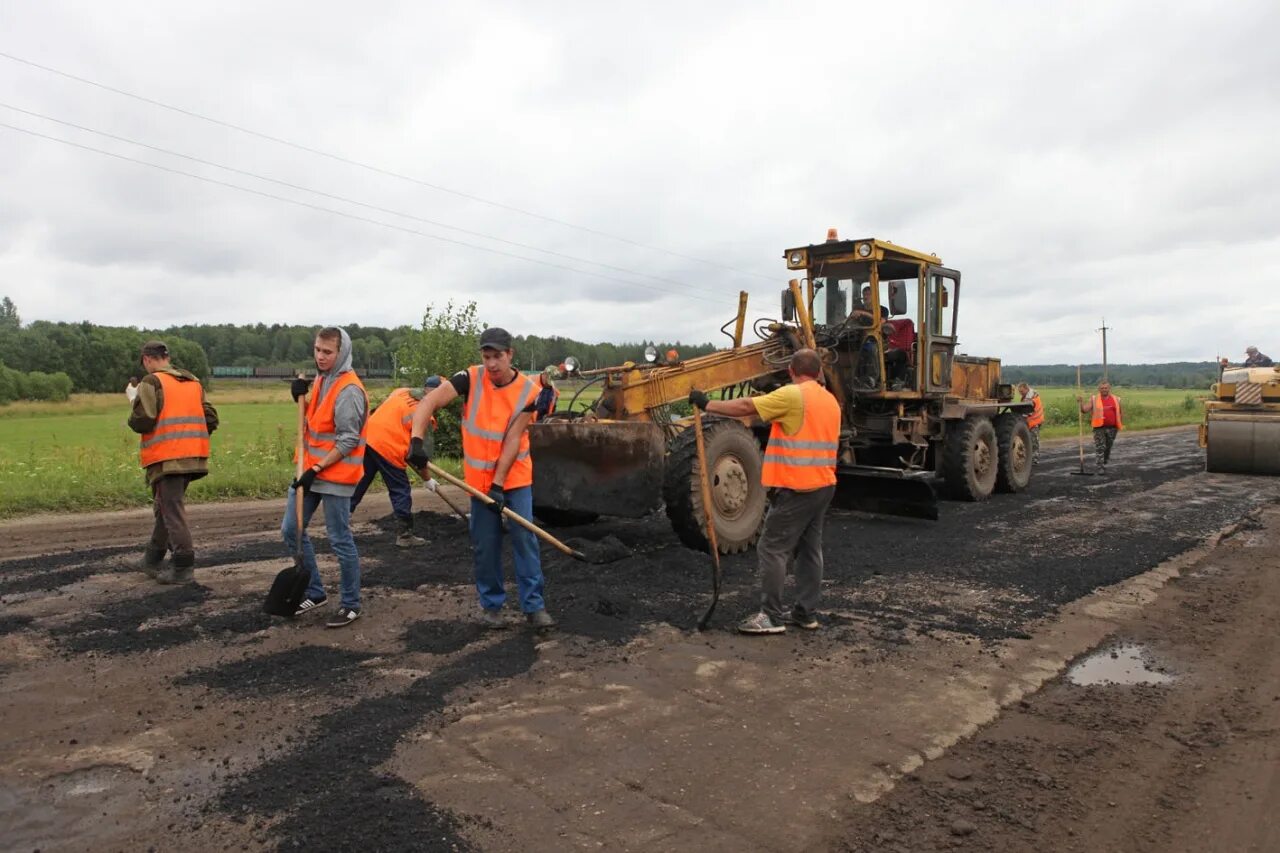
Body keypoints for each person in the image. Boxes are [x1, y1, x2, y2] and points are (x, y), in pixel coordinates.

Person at [407, 327, 555, 630]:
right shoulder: (470, 378)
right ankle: (491, 606)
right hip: (478, 481)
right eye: (486, 357)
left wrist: (499, 484)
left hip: (514, 478)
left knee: (524, 538)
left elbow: (514, 439)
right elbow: (428, 402)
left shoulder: (529, 392)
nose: (491, 364)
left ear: (510, 355)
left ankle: (534, 607)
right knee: (485, 544)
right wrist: (416, 441)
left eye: (497, 357)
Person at [689, 348, 840, 635]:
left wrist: (707, 404)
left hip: (797, 487)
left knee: (772, 547)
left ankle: (771, 617)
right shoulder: (830, 400)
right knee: (809, 551)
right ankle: (806, 614)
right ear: (819, 371)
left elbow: (748, 406)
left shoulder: (793, 395)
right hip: (823, 486)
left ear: (791, 371)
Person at [285, 327, 369, 628]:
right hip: (309, 471)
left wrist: (316, 470)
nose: (320, 356)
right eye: (317, 350)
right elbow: (316, 421)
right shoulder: (322, 380)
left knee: (339, 539)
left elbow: (347, 440)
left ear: (341, 353)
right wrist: (299, 399)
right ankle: (315, 591)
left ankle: (350, 604)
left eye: (327, 352)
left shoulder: (349, 391)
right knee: (291, 529)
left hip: (335, 476)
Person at [127, 341, 218, 584]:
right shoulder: (192, 381)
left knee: (171, 510)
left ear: (147, 359)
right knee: (165, 508)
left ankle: (183, 567)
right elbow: (210, 417)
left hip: (167, 458)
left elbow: (142, 420)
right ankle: (152, 559)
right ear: (167, 357)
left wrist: (133, 401)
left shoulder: (152, 382)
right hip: (193, 456)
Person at [350, 375, 443, 547]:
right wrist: (427, 479)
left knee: (360, 482)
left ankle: (341, 523)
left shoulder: (401, 391)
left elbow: (380, 410)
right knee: (400, 489)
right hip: (388, 447)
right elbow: (419, 455)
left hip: (368, 438)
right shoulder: (426, 416)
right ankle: (405, 536)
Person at [1077, 380, 1122, 475]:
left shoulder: (1116, 399)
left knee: (1108, 447)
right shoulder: (1094, 399)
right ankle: (1100, 467)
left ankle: (1104, 460)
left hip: (1113, 428)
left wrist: (1119, 423)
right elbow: (1084, 410)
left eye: (1106, 388)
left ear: (1109, 389)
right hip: (1099, 428)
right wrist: (1080, 403)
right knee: (1100, 447)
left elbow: (1120, 412)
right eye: (1102, 388)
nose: (1104, 390)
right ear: (1099, 389)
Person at [1017, 382, 1044, 464]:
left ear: (1026, 389)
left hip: (1035, 421)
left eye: (1021, 391)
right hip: (1032, 421)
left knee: (1034, 440)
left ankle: (1035, 458)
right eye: (1019, 392)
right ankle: (1031, 457)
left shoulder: (1031, 398)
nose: (1020, 393)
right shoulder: (1027, 397)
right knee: (1030, 440)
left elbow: (1027, 412)